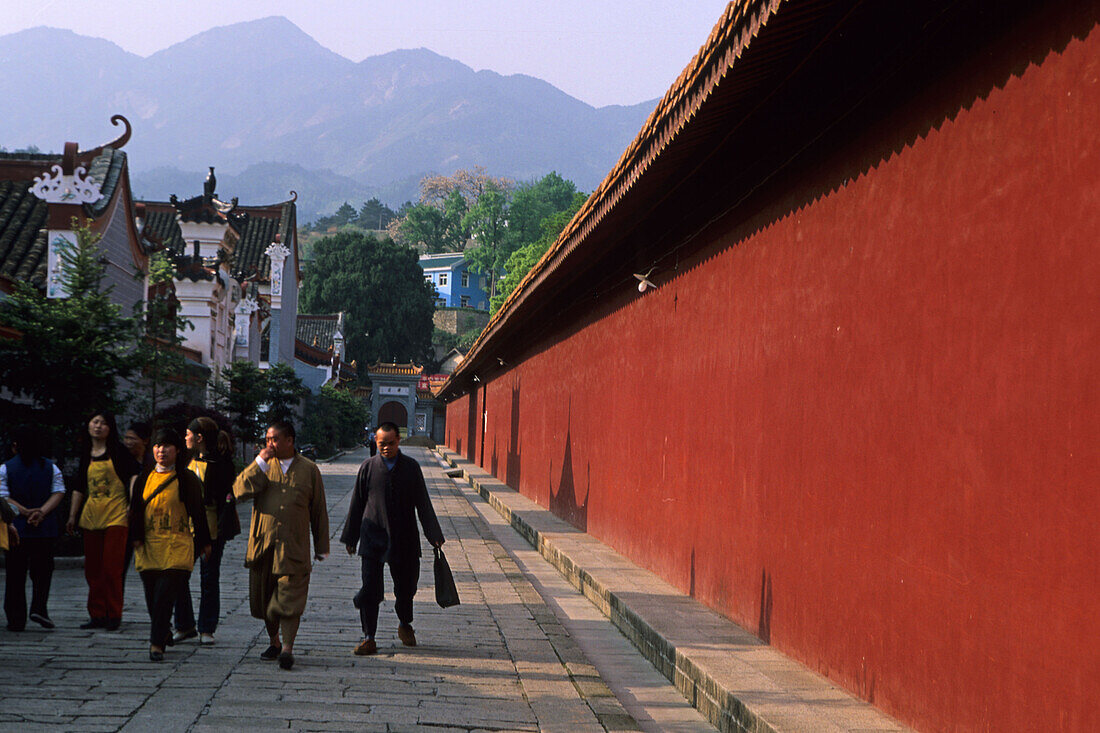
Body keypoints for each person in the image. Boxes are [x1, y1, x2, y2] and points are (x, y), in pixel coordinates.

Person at [341, 422, 444, 656]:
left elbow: (423, 504)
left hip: (404, 537)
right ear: (375, 443)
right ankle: (369, 637)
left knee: (407, 588)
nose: (386, 448)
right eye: (381, 444)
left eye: (390, 443)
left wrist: (434, 535)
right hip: (372, 538)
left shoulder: (411, 468)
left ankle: (405, 622)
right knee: (370, 587)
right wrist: (351, 537)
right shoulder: (368, 467)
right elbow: (357, 504)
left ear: (398, 441)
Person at [233, 420, 328, 670]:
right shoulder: (262, 467)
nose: (270, 444)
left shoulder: (309, 470)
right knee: (264, 602)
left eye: (274, 439)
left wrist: (321, 545)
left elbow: (318, 510)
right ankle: (274, 641)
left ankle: (287, 648)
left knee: (289, 599)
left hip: (294, 548)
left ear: (290, 440)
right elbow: (238, 491)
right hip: (262, 546)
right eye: (267, 440)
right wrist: (259, 461)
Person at [128, 428, 211, 661]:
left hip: (177, 545)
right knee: (152, 597)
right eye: (157, 445)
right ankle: (162, 631)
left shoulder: (187, 479)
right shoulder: (144, 477)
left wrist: (204, 542)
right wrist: (135, 538)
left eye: (166, 446)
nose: (161, 450)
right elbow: (135, 511)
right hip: (149, 546)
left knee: (164, 595)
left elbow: (198, 512)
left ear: (177, 450)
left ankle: (156, 644)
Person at [66, 412, 140, 631]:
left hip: (116, 515)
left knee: (112, 568)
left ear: (110, 428)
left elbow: (135, 474)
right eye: (94, 422)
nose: (98, 426)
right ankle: (97, 614)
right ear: (88, 425)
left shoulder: (118, 452)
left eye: (103, 423)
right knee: (93, 570)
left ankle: (113, 614)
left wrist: (132, 502)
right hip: (91, 516)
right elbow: (79, 487)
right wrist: (72, 515)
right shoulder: (85, 454)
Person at [172, 417, 240, 645]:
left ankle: (207, 628)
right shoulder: (185, 460)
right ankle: (184, 624)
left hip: (211, 528)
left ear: (199, 437)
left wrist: (217, 534)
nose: (185, 437)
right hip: (185, 527)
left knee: (209, 578)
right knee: (179, 575)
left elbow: (224, 502)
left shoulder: (221, 464)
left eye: (188, 434)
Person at [2, 425, 65, 631]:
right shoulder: (50, 467)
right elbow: (58, 492)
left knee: (15, 573)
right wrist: (41, 512)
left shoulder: (6, 468)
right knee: (43, 571)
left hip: (16, 525)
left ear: (15, 447)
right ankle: (39, 607)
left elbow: (3, 496)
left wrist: (24, 511)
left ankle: (16, 617)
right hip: (43, 527)